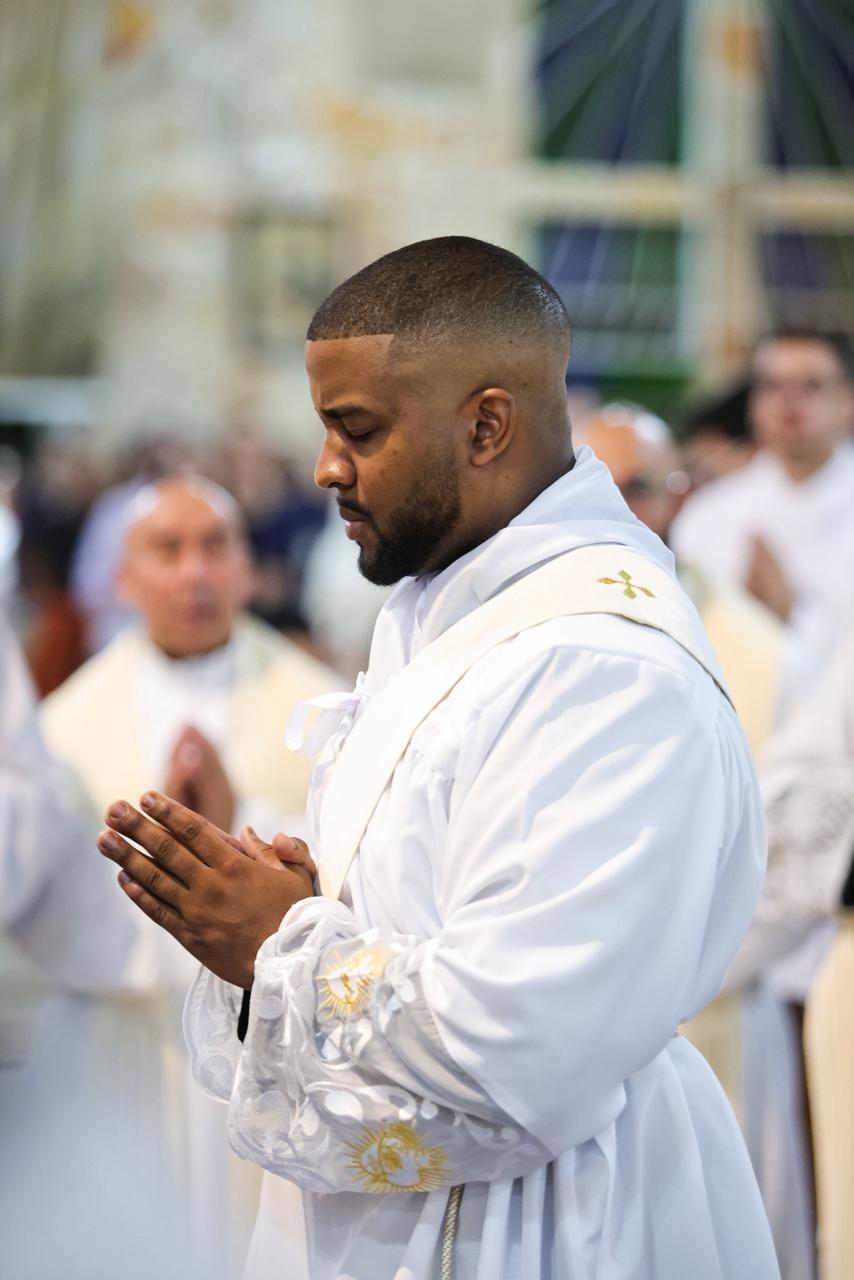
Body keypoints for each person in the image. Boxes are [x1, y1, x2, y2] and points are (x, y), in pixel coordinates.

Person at [99, 237, 778, 1280]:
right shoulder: (449, 606)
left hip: (550, 1222)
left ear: (486, 425)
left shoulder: (604, 666)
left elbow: (531, 1040)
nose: (325, 466)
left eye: (358, 429)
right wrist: (309, 899)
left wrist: (281, 941)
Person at [42, 476, 339, 1277]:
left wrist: (241, 815)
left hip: (268, 1043)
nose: (195, 572)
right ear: (123, 577)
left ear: (248, 567)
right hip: (124, 1037)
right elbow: (49, 899)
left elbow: (351, 860)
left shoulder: (321, 709)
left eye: (215, 546)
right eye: (167, 550)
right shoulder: (64, 727)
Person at [578, 406, 815, 1278]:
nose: (615, 506)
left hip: (715, 1008)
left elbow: (796, 854)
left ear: (678, 495)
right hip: (561, 1022)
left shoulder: (767, 653)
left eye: (637, 485)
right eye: (591, 481)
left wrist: (663, 972)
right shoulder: (520, 629)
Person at [671, 331, 854, 671]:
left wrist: (786, 614)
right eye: (772, 386)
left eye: (811, 385)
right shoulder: (709, 514)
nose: (788, 402)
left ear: (847, 401)